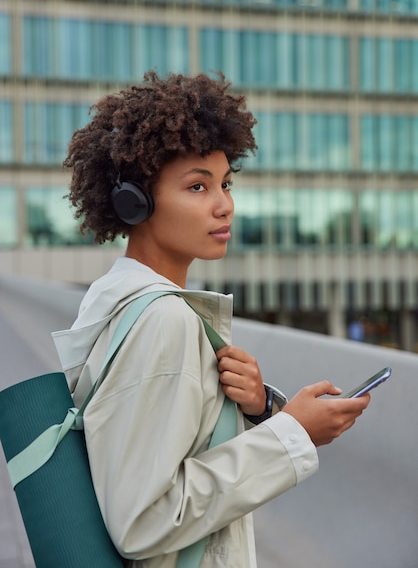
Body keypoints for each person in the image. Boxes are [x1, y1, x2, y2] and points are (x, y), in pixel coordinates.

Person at [53, 71, 370, 568]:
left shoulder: (114, 298)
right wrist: (292, 434)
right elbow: (143, 520)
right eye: (197, 187)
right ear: (134, 203)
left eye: (225, 183)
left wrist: (262, 408)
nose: (225, 205)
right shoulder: (164, 322)